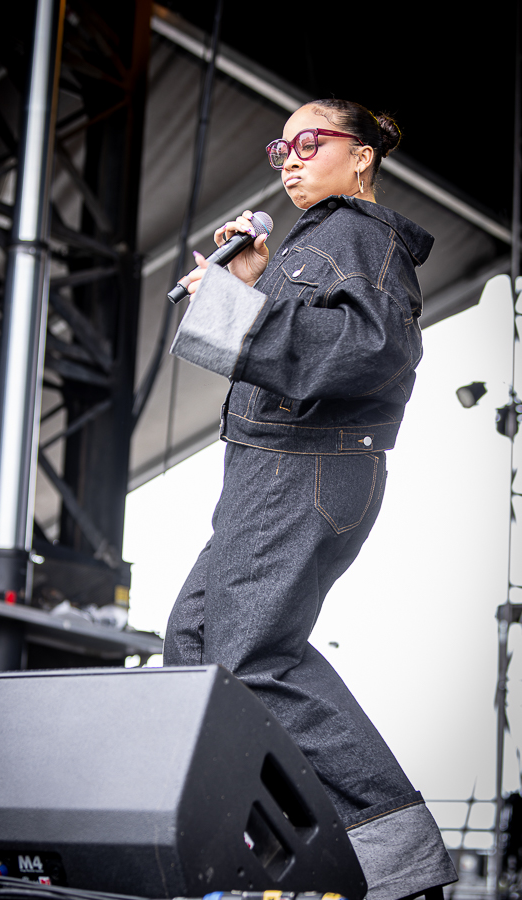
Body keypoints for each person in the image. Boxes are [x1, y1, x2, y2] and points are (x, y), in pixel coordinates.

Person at [163, 99, 457, 900]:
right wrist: (247, 287)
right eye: (280, 147)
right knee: (194, 644)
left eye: (309, 142)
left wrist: (234, 312)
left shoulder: (359, 235)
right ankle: (268, 848)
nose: (289, 158)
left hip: (304, 470)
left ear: (360, 156)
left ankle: (399, 863)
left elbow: (373, 349)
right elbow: (303, 338)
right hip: (268, 475)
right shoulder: (315, 241)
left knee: (252, 654)